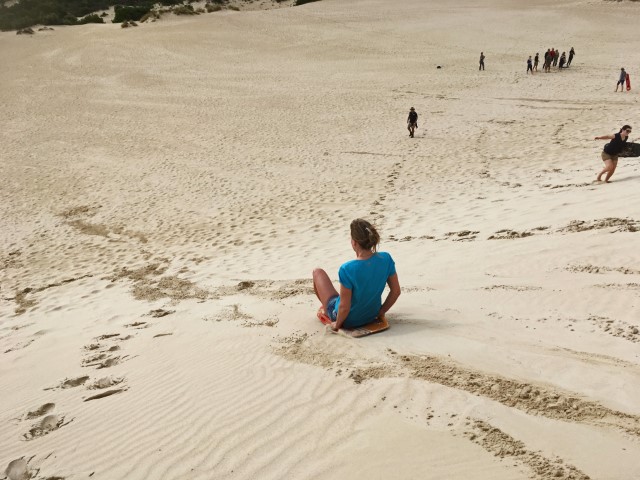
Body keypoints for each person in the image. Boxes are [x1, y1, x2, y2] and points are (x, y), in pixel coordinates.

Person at [312, 219, 401, 331]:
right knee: (344, 296)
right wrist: (381, 312)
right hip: (371, 315)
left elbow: (344, 307)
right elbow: (396, 291)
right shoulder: (386, 258)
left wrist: (337, 324)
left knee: (317, 272)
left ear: (354, 242)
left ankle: (327, 310)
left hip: (347, 320)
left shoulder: (347, 269)